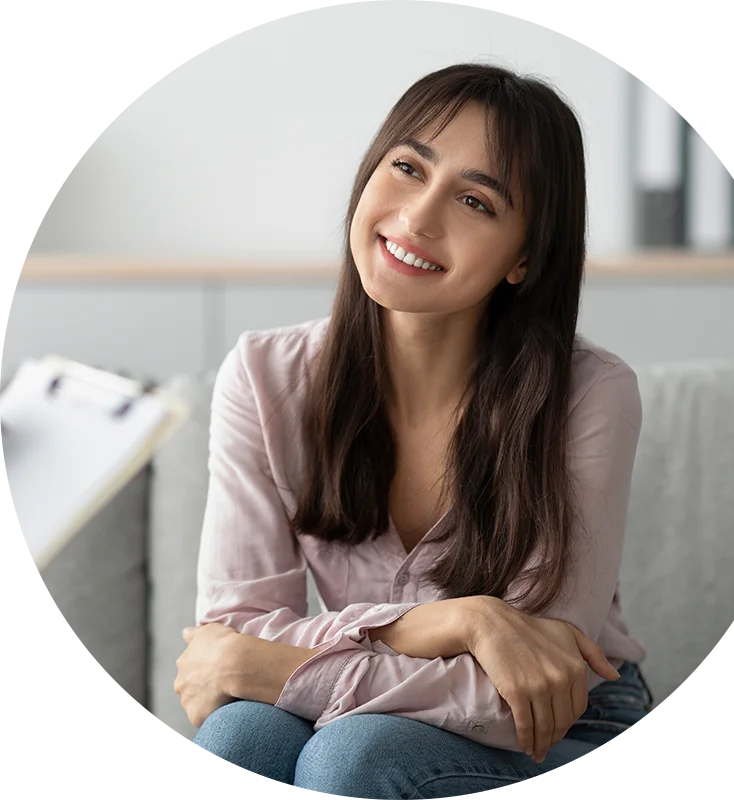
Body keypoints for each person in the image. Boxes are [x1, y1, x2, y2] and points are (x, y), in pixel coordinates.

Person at [175, 62, 656, 797]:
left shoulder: (589, 396)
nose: (419, 217)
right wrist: (448, 624)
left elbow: (518, 695)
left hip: (576, 729)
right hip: (365, 717)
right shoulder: (265, 377)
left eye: (475, 201)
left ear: (525, 257)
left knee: (354, 758)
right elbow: (229, 644)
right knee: (241, 736)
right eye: (407, 167)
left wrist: (267, 665)